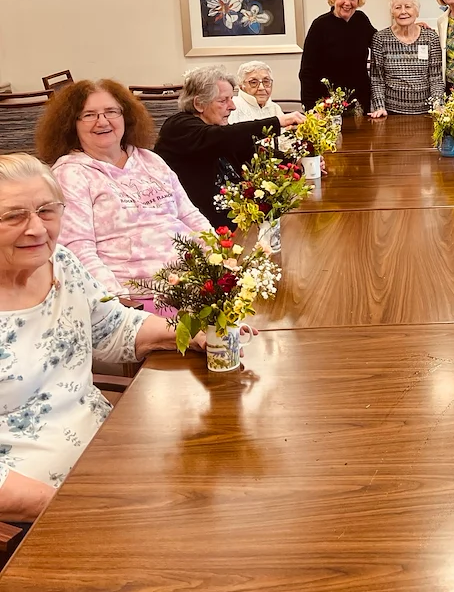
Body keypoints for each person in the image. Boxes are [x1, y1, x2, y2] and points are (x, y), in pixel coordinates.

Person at [0, 153, 206, 538]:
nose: (37, 230)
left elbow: (112, 327)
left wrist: (187, 331)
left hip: (108, 450)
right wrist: (74, 505)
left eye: (48, 210)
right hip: (41, 511)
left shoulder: (60, 262)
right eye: (13, 216)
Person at [34, 78, 211, 300]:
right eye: (89, 115)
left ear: (125, 116)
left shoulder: (150, 160)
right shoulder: (71, 174)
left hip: (198, 283)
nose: (102, 121)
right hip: (141, 298)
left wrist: (218, 257)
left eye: (111, 112)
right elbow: (77, 250)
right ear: (72, 124)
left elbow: (189, 215)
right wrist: (119, 302)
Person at [155, 67, 301, 225]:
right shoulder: (179, 126)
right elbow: (221, 138)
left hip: (241, 217)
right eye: (223, 100)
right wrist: (278, 122)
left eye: (231, 99)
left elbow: (254, 153)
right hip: (203, 227)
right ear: (199, 104)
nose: (233, 106)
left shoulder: (216, 129)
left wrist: (295, 163)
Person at [299, 0, 375, 112]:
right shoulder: (320, 25)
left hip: (359, 103)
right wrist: (310, 108)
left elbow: (381, 41)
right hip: (327, 104)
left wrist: (409, 27)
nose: (347, 3)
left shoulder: (361, 20)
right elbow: (307, 71)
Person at [368, 0, 443, 117]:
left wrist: (437, 105)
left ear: (417, 11)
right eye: (398, 7)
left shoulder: (431, 38)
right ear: (392, 12)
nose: (403, 12)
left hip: (426, 112)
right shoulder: (380, 38)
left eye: (408, 7)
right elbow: (377, 79)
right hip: (391, 113)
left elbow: (435, 78)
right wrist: (379, 107)